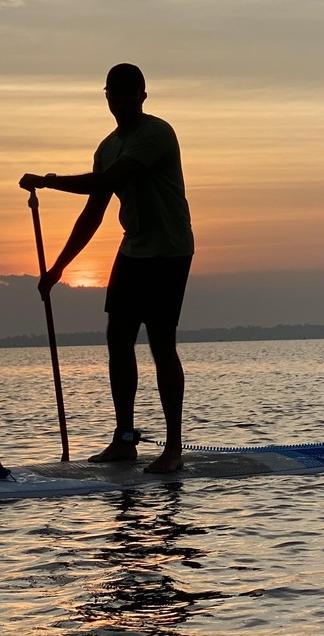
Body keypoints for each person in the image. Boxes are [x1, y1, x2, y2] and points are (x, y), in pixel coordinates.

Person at [20, 63, 194, 473]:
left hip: (169, 250)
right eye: (113, 93)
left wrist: (48, 181)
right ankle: (125, 440)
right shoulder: (106, 146)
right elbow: (93, 213)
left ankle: (172, 448)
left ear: (142, 95)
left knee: (161, 343)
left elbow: (106, 181)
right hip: (133, 249)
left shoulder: (157, 133)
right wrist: (58, 269)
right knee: (118, 338)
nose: (120, 100)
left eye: (128, 93)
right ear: (107, 97)